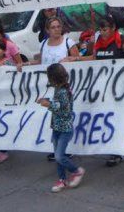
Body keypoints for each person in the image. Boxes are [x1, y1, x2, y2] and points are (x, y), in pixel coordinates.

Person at [91, 12, 124, 167]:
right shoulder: (99, 41)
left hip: (121, 88)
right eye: (101, 29)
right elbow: (94, 59)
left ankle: (118, 151)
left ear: (113, 28)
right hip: (104, 87)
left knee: (118, 119)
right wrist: (76, 58)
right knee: (107, 118)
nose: (103, 32)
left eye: (105, 29)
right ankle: (112, 147)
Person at [37, 63, 85, 193]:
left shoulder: (63, 92)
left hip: (64, 129)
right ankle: (62, 180)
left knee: (59, 156)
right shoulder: (59, 89)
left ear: (54, 78)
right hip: (57, 128)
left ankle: (77, 171)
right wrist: (46, 100)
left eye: (49, 77)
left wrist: (48, 105)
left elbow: (65, 112)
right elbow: (59, 105)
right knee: (58, 157)